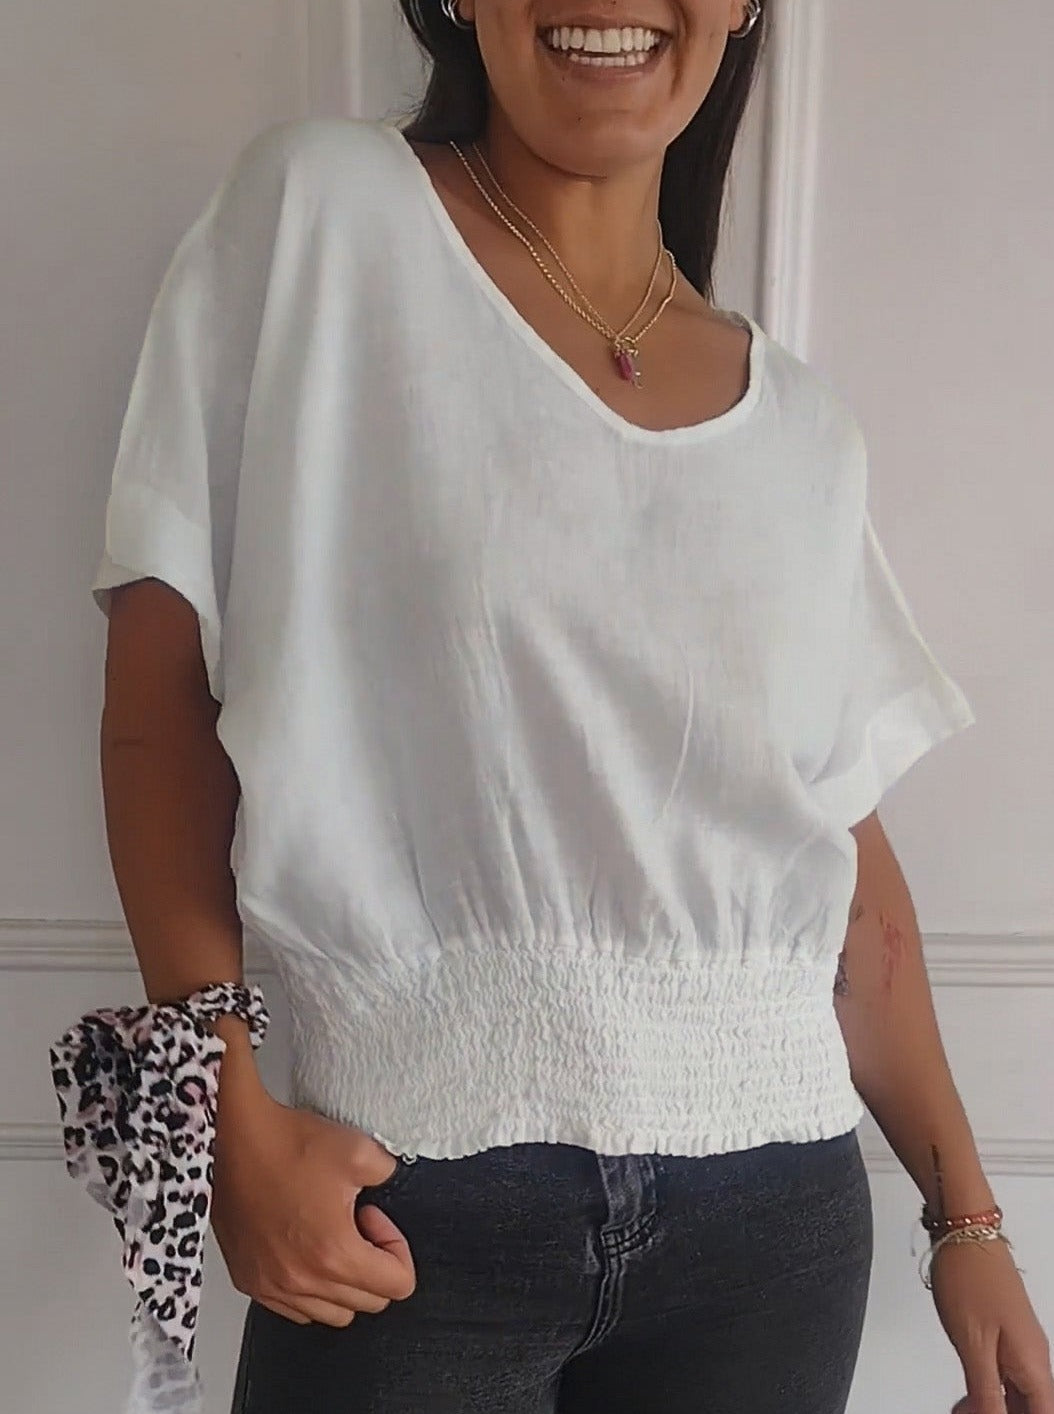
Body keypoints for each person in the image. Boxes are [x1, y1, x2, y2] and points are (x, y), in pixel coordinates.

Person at [48, 0, 1053, 1412]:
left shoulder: (802, 429)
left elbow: (837, 852)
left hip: (773, 1231)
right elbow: (159, 708)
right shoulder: (320, 219)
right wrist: (224, 1116)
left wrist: (968, 1219)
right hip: (406, 1207)